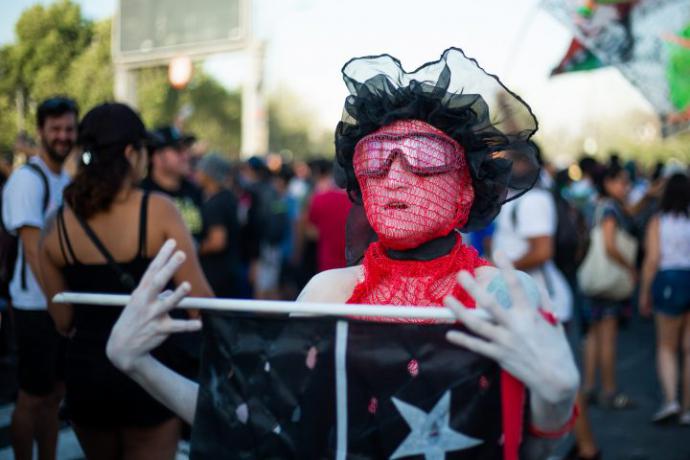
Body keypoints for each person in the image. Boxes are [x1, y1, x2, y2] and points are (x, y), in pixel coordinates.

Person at [106, 48, 579, 459]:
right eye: (375, 159)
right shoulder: (328, 293)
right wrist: (138, 364)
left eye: (424, 157)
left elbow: (527, 449)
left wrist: (556, 401)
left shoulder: (503, 295)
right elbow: (260, 423)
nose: (393, 177)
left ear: (467, 192)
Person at [38, 103, 212, 459]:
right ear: (132, 153)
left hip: (86, 372)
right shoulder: (158, 209)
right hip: (151, 370)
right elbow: (201, 304)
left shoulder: (57, 224)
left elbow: (62, 320)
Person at [2, 96, 77, 460]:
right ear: (41, 132)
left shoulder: (65, 179)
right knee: (31, 398)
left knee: (53, 396)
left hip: (58, 304)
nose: (63, 136)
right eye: (56, 129)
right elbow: (33, 253)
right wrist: (57, 307)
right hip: (35, 305)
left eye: (69, 129)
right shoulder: (27, 180)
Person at [581, 162, 637, 409]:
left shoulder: (593, 204)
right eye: (621, 182)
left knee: (593, 335)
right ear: (608, 182)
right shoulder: (611, 210)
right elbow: (610, 245)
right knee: (608, 337)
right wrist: (630, 267)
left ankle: (590, 387)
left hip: (592, 279)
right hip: (610, 280)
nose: (626, 187)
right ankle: (610, 391)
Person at [640, 172, 690, 424]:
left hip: (669, 281)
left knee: (667, 347)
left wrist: (644, 293)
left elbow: (652, 260)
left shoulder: (659, 221)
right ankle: (688, 409)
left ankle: (671, 401)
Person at [141, 126, 203, 242]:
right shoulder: (141, 195)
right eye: (178, 150)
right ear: (156, 157)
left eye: (186, 150)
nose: (186, 156)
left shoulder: (195, 191)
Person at [195, 153, 241, 298]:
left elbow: (217, 242)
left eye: (200, 170)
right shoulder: (228, 197)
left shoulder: (216, 203)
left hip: (217, 274)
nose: (197, 173)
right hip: (230, 269)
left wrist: (191, 248)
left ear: (209, 174)